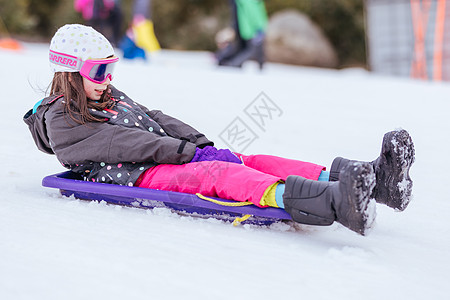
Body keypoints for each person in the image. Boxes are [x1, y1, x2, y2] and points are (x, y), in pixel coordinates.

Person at [24, 24, 415, 236]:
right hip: (142, 174)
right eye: (98, 70)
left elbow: (154, 116)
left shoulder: (107, 95)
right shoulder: (63, 120)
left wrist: (199, 142)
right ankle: (330, 200)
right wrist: (188, 154)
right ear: (70, 71)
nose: (107, 78)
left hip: (170, 155)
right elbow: (121, 141)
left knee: (252, 158)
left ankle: (369, 182)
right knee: (220, 174)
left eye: (111, 68)